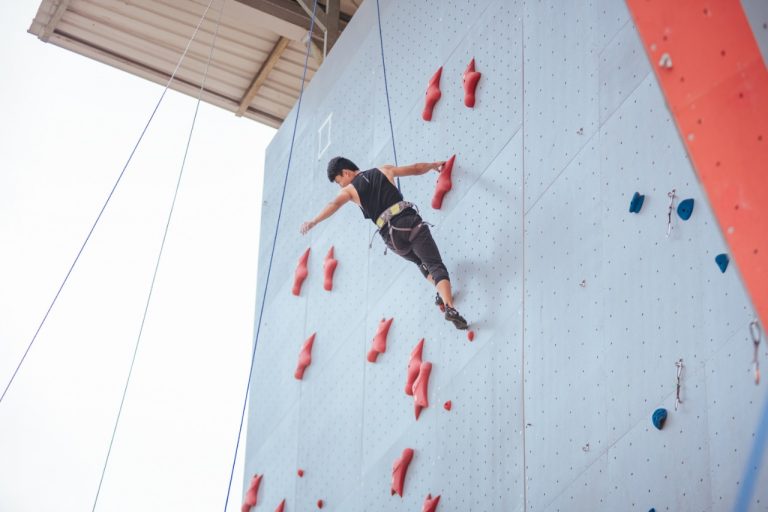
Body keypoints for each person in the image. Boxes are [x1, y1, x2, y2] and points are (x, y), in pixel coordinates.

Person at [300, 156, 469, 330]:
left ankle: (441, 291)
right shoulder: (384, 170)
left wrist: (314, 221)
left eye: (339, 181)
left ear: (346, 172)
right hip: (408, 223)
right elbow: (416, 167)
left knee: (420, 262)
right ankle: (450, 307)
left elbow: (334, 204)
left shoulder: (349, 191)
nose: (341, 185)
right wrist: (434, 165)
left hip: (392, 239)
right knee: (435, 265)